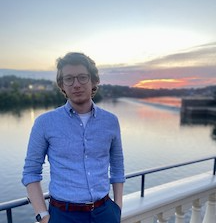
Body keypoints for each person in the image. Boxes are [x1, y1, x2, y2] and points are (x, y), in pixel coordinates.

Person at [22, 52, 125, 223]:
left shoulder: (110, 121)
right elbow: (31, 172)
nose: (76, 84)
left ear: (93, 81)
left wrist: (117, 208)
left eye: (82, 77)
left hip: (105, 213)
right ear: (62, 84)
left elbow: (118, 167)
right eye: (69, 79)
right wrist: (43, 216)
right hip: (63, 215)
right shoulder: (44, 123)